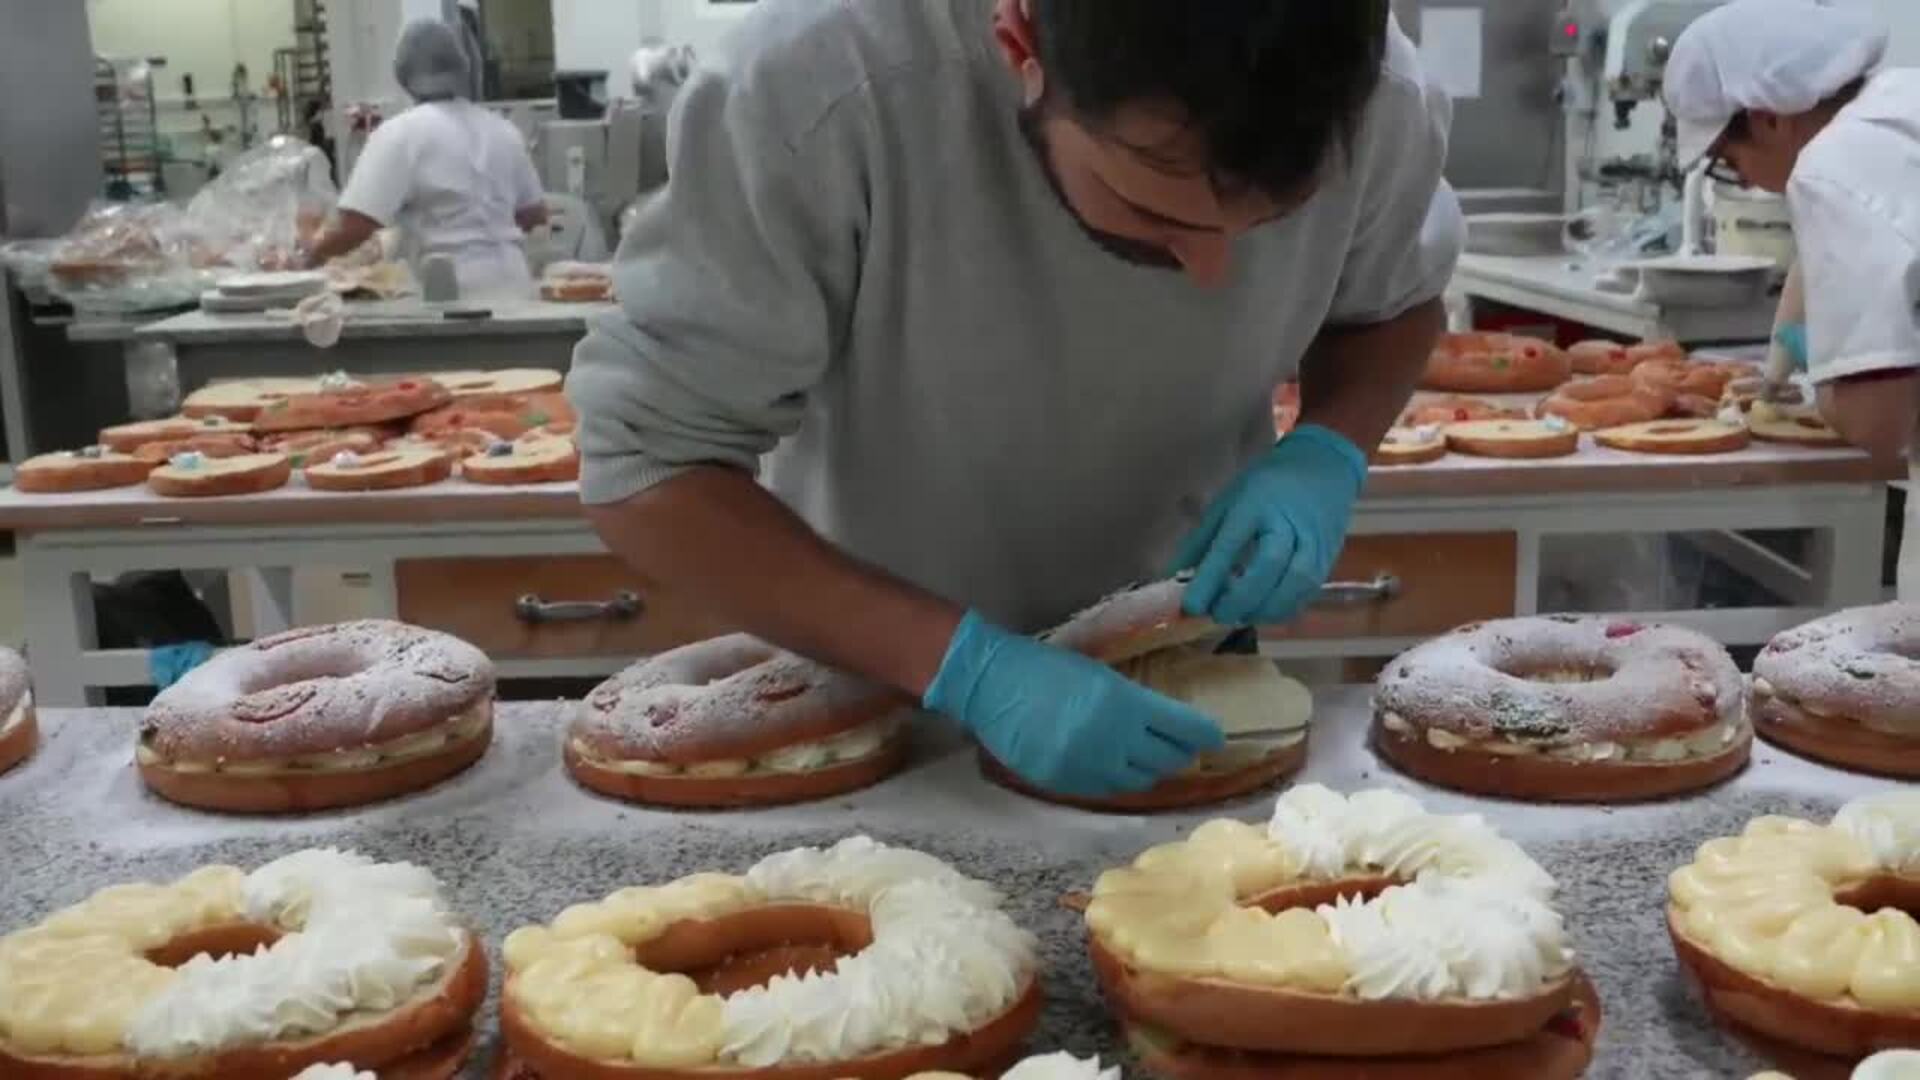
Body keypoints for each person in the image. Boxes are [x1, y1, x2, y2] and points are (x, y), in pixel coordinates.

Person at [568, 0, 1461, 799]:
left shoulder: (1376, 91)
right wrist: (968, 668)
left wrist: (1326, 451)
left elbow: (1392, 296)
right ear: (1019, 41)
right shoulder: (820, 89)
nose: (1212, 272)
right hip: (876, 703)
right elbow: (649, 467)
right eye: (1154, 214)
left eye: (1270, 222)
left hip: (1186, 682)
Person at [1665, 0, 1919, 466]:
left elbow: (1877, 424)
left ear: (1770, 118)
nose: (1746, 182)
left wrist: (1822, 387)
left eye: (1734, 164)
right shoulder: (1900, 101)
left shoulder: (1829, 167)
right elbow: (1822, 259)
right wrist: (1776, 375)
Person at [307, 19, 548, 300]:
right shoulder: (503, 130)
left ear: (402, 73)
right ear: (462, 67)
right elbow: (534, 215)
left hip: (451, 288)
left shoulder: (400, 134)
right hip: (514, 283)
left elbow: (355, 226)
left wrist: (307, 257)